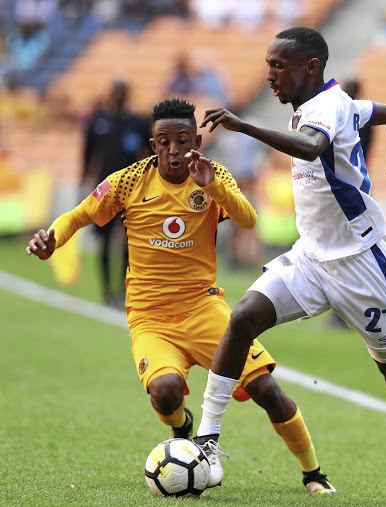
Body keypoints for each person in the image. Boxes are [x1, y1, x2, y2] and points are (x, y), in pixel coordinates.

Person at [195, 27, 386, 490]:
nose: (269, 74)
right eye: (268, 64)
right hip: (311, 257)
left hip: (360, 263)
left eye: (278, 66)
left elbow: (313, 146)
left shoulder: (327, 107)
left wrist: (244, 125)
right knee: (243, 317)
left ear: (310, 67)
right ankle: (206, 439)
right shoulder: (334, 102)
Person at [25, 98, 337, 496]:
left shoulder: (210, 176)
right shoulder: (128, 181)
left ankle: (313, 473)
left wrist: (215, 188)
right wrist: (53, 237)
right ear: (153, 144)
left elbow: (248, 219)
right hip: (151, 316)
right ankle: (182, 429)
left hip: (204, 308)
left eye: (182, 140)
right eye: (164, 141)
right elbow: (80, 214)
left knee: (266, 390)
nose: (174, 150)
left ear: (197, 140)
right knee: (165, 391)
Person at [82, 80, 152, 306]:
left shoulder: (136, 123)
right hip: (104, 190)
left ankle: (123, 289)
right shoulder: (99, 121)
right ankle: (106, 290)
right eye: (116, 93)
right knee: (103, 241)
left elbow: (150, 151)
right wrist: (84, 181)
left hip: (129, 189)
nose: (118, 97)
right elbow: (88, 153)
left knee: (128, 240)